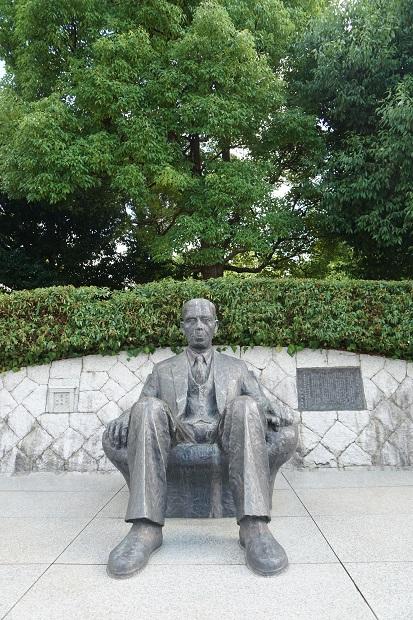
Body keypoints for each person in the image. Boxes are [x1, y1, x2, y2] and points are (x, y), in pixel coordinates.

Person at [104, 298, 296, 578]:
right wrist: (125, 416)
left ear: (215, 326)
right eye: (191, 320)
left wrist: (272, 408)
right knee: (147, 408)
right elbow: (144, 400)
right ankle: (145, 527)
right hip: (180, 433)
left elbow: (260, 401)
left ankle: (254, 526)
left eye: (205, 320)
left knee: (245, 406)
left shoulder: (237, 368)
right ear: (182, 326)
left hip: (222, 432)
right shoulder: (163, 369)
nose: (199, 327)